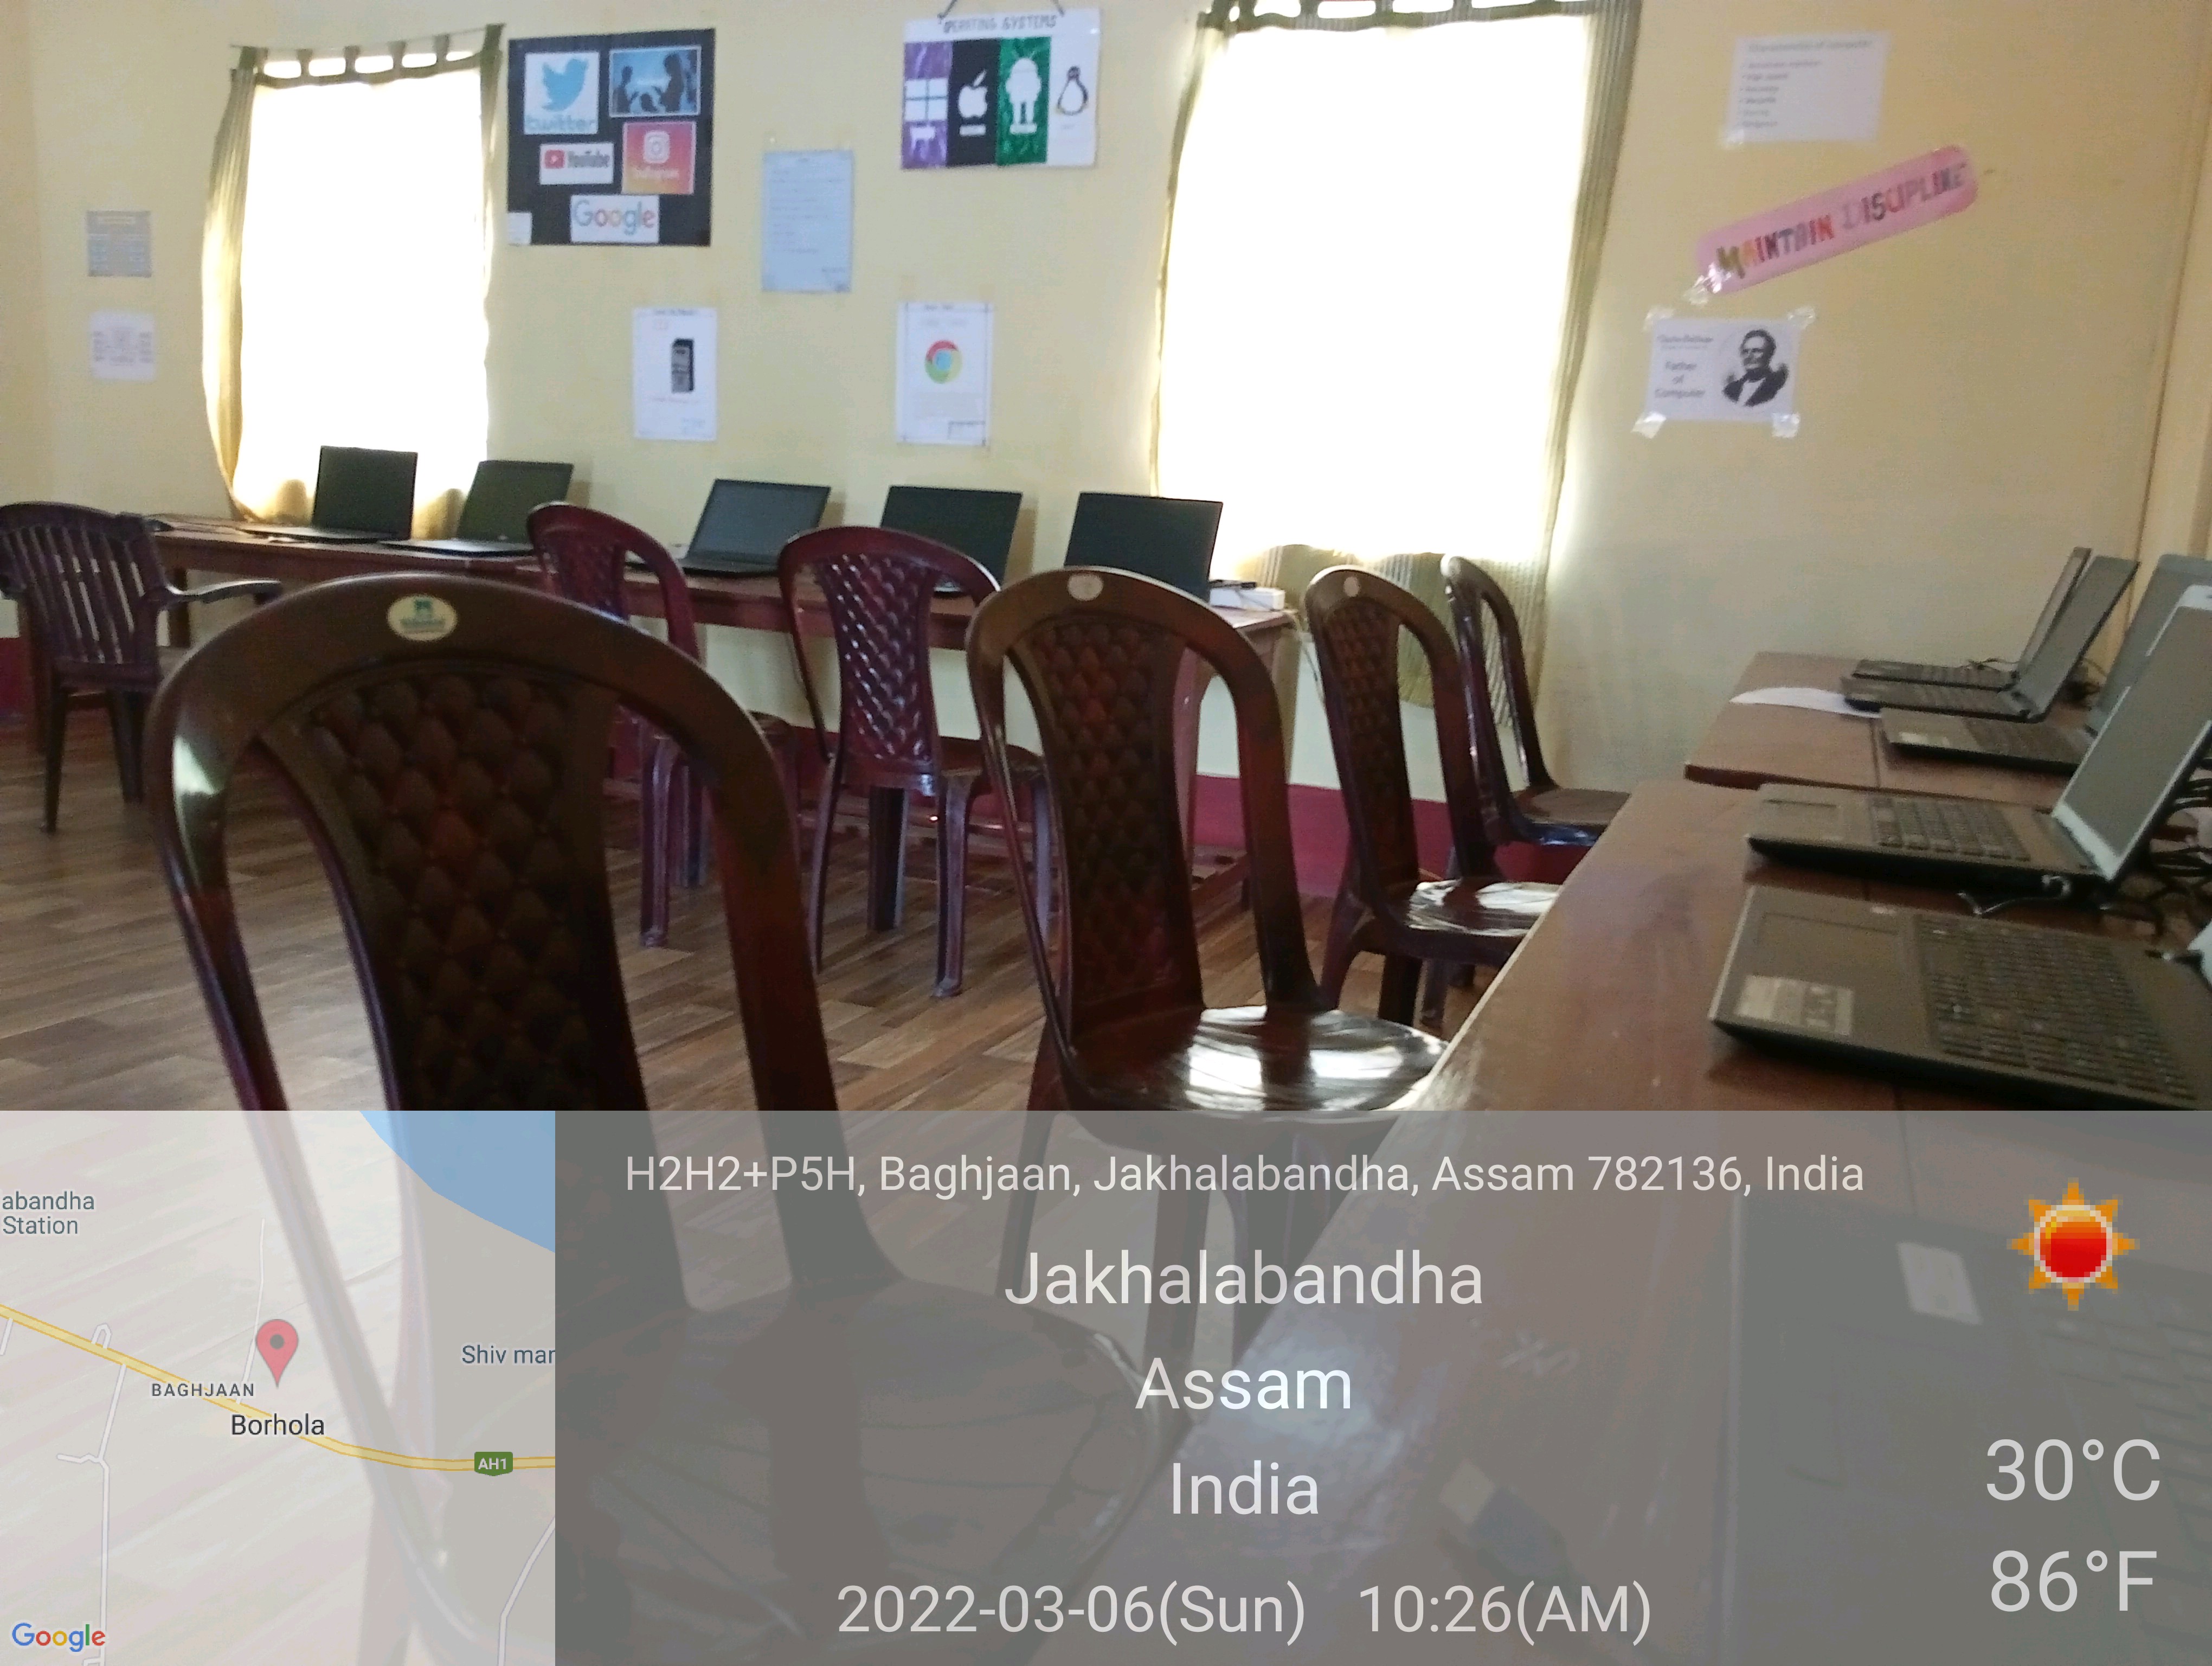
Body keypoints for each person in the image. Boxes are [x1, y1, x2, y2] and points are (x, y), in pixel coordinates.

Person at [1723, 329, 1789, 407]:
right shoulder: (1730, 390)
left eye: (1756, 351)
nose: (1749, 356)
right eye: (1745, 352)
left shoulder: (1778, 387)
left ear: (1769, 354)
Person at [661, 50, 695, 115]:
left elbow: (668, 101)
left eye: (667, 66)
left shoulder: (675, 81)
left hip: (673, 112)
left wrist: (661, 94)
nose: (666, 69)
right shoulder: (680, 80)